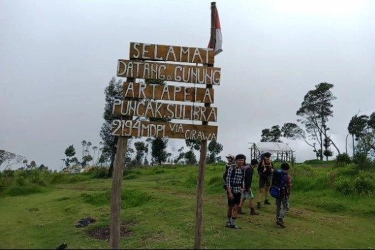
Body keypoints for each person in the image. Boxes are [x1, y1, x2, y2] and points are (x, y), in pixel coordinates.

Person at [225, 154, 245, 229]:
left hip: (238, 190)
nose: (241, 161)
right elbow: (228, 181)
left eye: (242, 160)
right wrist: (229, 192)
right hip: (232, 189)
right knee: (230, 206)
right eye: (239, 160)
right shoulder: (231, 168)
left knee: (237, 206)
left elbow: (242, 180)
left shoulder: (243, 169)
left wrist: (243, 188)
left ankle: (233, 224)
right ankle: (228, 221)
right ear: (236, 160)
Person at [275, 162, 292, 228]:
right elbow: (289, 186)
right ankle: (280, 218)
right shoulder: (287, 176)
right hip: (284, 193)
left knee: (278, 206)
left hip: (277, 193)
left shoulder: (276, 173)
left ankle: (277, 219)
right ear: (288, 168)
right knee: (286, 207)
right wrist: (288, 193)